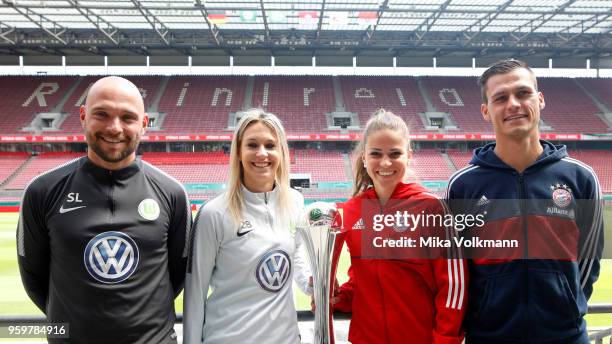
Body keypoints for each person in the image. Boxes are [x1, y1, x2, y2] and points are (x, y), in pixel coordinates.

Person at [17, 76, 191, 343]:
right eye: (102, 114)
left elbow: (177, 277)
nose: (114, 127)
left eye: (128, 117)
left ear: (144, 125)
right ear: (84, 116)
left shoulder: (172, 194)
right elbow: (35, 279)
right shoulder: (42, 191)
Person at [446, 59, 603, 343]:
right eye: (501, 98)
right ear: (485, 110)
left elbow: (588, 262)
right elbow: (458, 269)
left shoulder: (581, 178)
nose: (514, 104)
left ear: (540, 99)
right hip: (488, 337)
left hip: (566, 336)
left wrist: (564, 303)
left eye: (523, 93)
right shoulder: (463, 186)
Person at [332, 110, 467, 344]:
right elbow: (362, 279)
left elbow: (454, 285)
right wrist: (338, 298)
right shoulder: (351, 211)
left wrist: (445, 340)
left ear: (409, 156)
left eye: (395, 153)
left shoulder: (431, 207)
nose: (385, 162)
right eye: (376, 154)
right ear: (364, 157)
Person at [183, 109, 311, 344]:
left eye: (270, 145)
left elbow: (297, 257)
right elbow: (195, 291)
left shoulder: (295, 202)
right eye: (252, 145)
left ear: (281, 152)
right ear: (239, 153)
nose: (262, 153)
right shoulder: (214, 213)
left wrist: (313, 285)